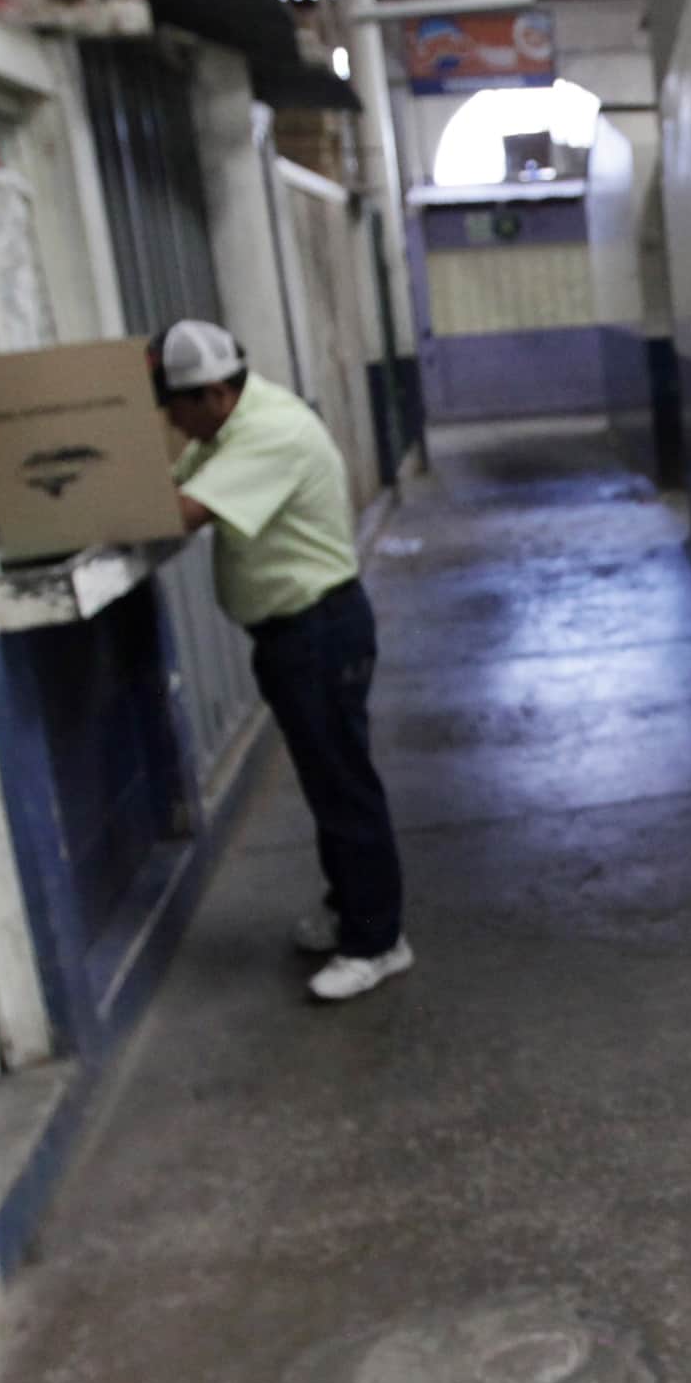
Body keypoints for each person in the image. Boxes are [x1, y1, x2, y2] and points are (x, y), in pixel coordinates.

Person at [158, 318, 411, 1002]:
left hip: (318, 630)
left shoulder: (268, 434)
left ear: (212, 393)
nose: (172, 427)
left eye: (175, 410)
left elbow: (180, 511)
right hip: (294, 634)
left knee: (343, 785)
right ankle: (350, 904)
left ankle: (377, 940)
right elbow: (168, 480)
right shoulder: (234, 423)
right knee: (326, 780)